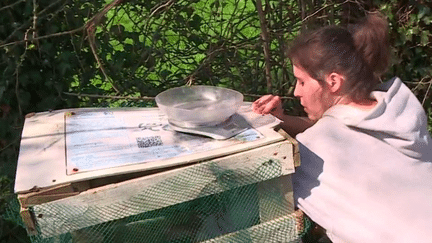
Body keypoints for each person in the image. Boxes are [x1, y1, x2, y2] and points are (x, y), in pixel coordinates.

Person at [252, 11, 432, 243]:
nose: (296, 92)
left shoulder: (317, 148)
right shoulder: (396, 113)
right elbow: (340, 127)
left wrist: (267, 123)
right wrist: (282, 120)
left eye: (302, 81)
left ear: (333, 81)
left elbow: (318, 141)